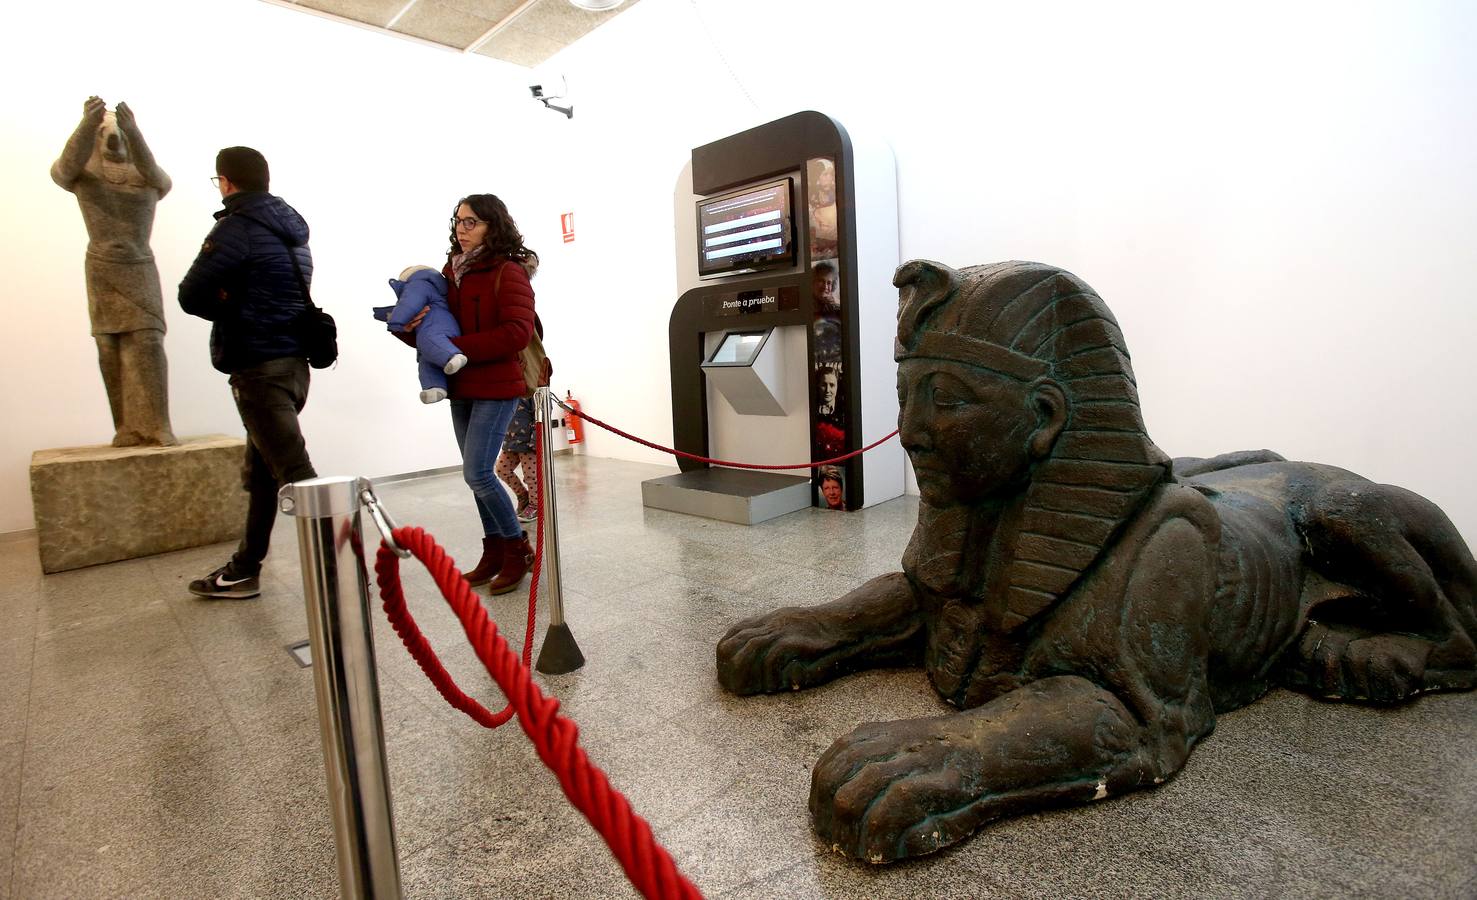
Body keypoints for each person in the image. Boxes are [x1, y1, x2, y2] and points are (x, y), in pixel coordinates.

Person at [177, 146, 317, 599]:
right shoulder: (293, 233)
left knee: (298, 476)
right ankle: (244, 568)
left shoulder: (236, 228)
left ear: (227, 181)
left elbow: (191, 294)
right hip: (293, 364)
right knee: (261, 472)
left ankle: (346, 571)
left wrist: (231, 303)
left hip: (258, 366)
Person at [402, 194, 537, 593]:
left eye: (471, 222)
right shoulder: (452, 274)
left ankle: (517, 550)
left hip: (497, 385)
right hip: (461, 385)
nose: (462, 229)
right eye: (458, 221)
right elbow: (441, 330)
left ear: (492, 226)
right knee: (474, 476)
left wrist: (459, 349)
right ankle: (494, 550)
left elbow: (518, 332)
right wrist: (419, 334)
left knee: (478, 472)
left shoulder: (508, 272)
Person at [51, 97, 177, 447]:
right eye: (104, 133)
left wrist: (134, 132)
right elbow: (64, 169)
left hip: (138, 266)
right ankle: (127, 427)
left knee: (149, 341)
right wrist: (85, 125)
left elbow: (158, 178)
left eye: (118, 132)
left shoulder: (145, 176)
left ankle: (158, 424)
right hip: (102, 267)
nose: (113, 138)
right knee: (109, 347)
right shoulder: (85, 174)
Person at [372, 265, 466, 403]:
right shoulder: (430, 287)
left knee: (429, 341)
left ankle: (452, 356)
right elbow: (404, 307)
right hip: (431, 325)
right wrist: (383, 315)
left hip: (435, 322)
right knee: (426, 358)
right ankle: (435, 388)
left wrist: (397, 322)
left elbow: (409, 304)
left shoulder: (418, 284)